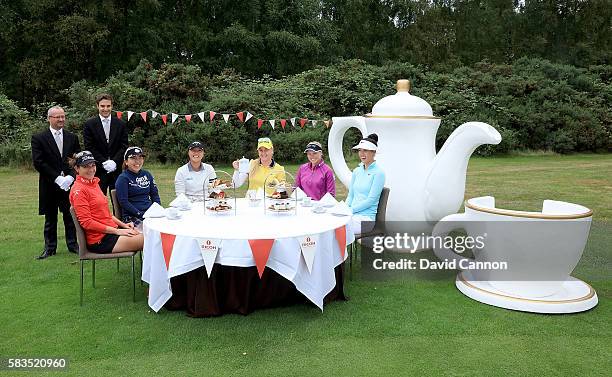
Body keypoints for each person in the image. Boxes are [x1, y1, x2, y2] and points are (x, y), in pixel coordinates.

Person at [31, 106, 81, 259]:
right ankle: (50, 248)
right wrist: (57, 178)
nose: (61, 119)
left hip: (69, 184)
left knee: (70, 216)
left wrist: (71, 177)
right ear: (49, 119)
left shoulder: (72, 137)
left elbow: (77, 159)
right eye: (57, 117)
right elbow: (39, 162)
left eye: (63, 116)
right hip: (49, 184)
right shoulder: (39, 138)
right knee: (50, 218)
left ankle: (73, 245)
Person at [69, 151, 143, 253]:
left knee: (152, 235)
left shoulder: (93, 183)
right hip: (100, 240)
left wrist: (123, 225)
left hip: (111, 232)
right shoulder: (79, 190)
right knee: (150, 240)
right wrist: (117, 231)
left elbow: (106, 214)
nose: (91, 169)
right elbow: (87, 223)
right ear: (77, 168)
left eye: (93, 165)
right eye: (86, 166)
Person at [83, 93, 129, 196]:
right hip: (98, 170)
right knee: (98, 201)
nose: (105, 109)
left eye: (108, 106)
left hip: (116, 170)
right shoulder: (89, 124)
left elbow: (124, 146)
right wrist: (103, 162)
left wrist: (114, 162)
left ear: (112, 106)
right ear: (97, 106)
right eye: (102, 106)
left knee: (118, 202)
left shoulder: (120, 124)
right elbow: (89, 146)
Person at [346, 134, 385, 235]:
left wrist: (351, 210)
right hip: (352, 214)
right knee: (332, 225)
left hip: (366, 219)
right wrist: (345, 209)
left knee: (338, 229)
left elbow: (370, 200)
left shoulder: (379, 173)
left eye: (366, 150)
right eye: (360, 150)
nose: (362, 154)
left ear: (374, 152)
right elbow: (351, 195)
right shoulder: (356, 171)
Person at [115, 146, 161, 224]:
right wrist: (140, 214)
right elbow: (124, 202)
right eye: (133, 158)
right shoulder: (123, 178)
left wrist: (157, 209)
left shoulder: (147, 174)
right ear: (126, 161)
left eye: (140, 158)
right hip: (132, 216)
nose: (137, 161)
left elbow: (155, 195)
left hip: (149, 213)